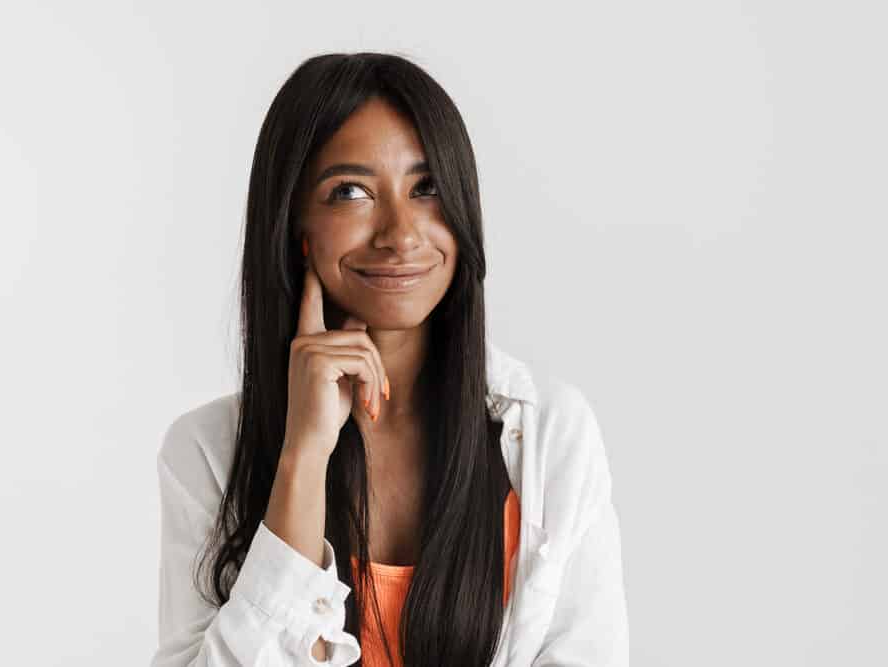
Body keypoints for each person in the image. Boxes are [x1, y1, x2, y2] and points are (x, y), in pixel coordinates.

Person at [150, 52, 629, 667]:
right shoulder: (205, 452)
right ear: (296, 227)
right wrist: (302, 458)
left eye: (427, 189)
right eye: (350, 192)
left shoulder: (549, 435)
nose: (401, 234)